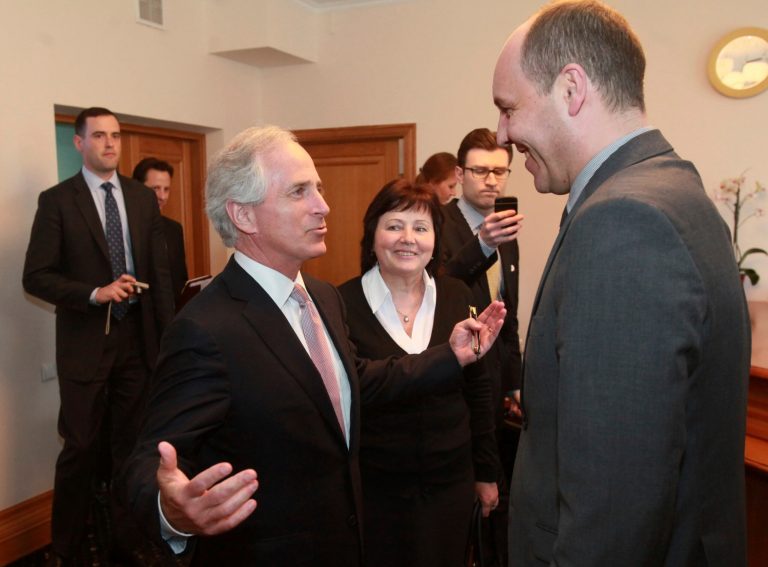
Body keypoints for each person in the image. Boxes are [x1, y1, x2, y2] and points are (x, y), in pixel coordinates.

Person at [121, 125, 507, 566]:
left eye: (318, 189)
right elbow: (149, 459)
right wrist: (170, 509)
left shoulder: (321, 297)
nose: (323, 206)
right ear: (243, 216)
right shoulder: (206, 327)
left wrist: (450, 356)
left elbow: (354, 382)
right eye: (299, 192)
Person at [492, 1, 750, 565]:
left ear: (571, 89)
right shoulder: (671, 187)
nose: (502, 133)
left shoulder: (624, 221)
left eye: (509, 109)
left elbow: (612, 513)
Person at [22, 107, 174, 564]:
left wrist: (169, 341)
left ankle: (126, 542)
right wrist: (93, 292)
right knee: (82, 448)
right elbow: (36, 277)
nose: (110, 144)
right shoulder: (57, 201)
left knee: (131, 449)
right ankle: (65, 549)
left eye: (116, 136)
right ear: (79, 143)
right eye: (100, 136)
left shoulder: (141, 198)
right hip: (86, 345)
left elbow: (160, 275)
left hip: (137, 342)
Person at [338, 179, 500, 566]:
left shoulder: (458, 294)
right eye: (394, 225)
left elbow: (478, 390)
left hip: (451, 485)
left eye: (421, 228)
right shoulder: (340, 303)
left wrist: (487, 471)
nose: (407, 238)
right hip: (375, 490)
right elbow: (356, 389)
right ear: (372, 236)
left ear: (435, 241)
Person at [439, 127, 523, 567]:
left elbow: (507, 313)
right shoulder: (438, 223)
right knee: (467, 502)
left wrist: (516, 383)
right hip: (453, 379)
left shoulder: (506, 230)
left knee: (497, 503)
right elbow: (437, 284)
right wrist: (481, 243)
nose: (491, 181)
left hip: (493, 385)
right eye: (481, 171)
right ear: (459, 174)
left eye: (500, 172)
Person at [132, 157, 189, 307]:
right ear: (137, 188)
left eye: (166, 189)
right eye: (155, 188)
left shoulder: (174, 229)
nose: (162, 197)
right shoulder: (126, 228)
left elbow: (180, 279)